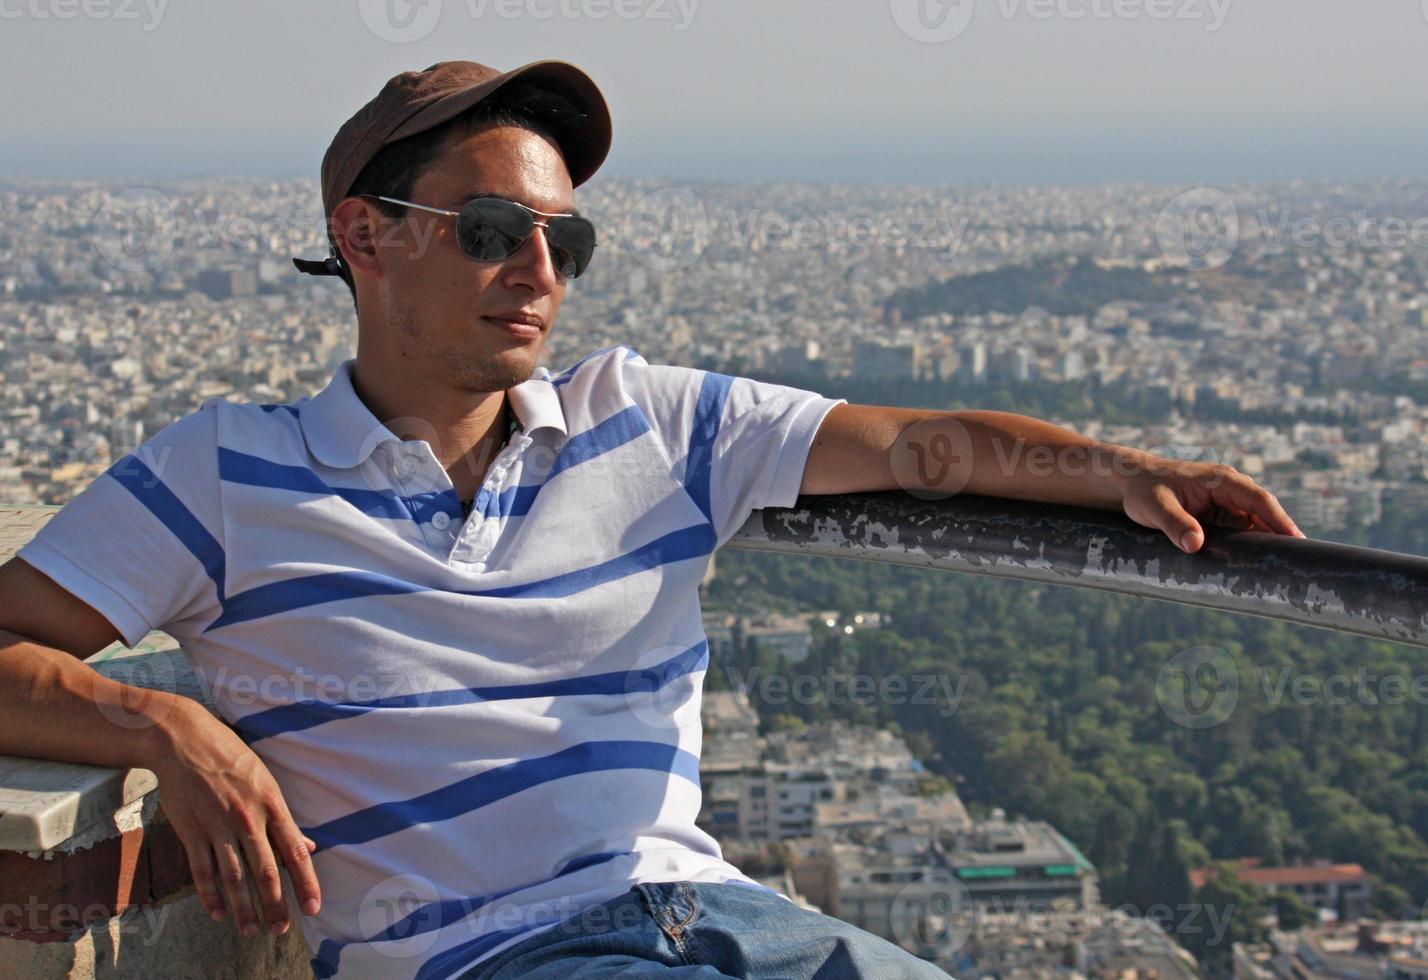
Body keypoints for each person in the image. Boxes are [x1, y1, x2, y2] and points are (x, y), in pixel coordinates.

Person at [0, 59, 1306, 980]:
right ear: (365, 234)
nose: (537, 271)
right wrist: (164, 722)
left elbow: (917, 445)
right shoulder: (226, 473)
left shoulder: (650, 418)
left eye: (568, 242)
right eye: (495, 228)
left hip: (733, 920)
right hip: (497, 955)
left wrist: (1129, 471)